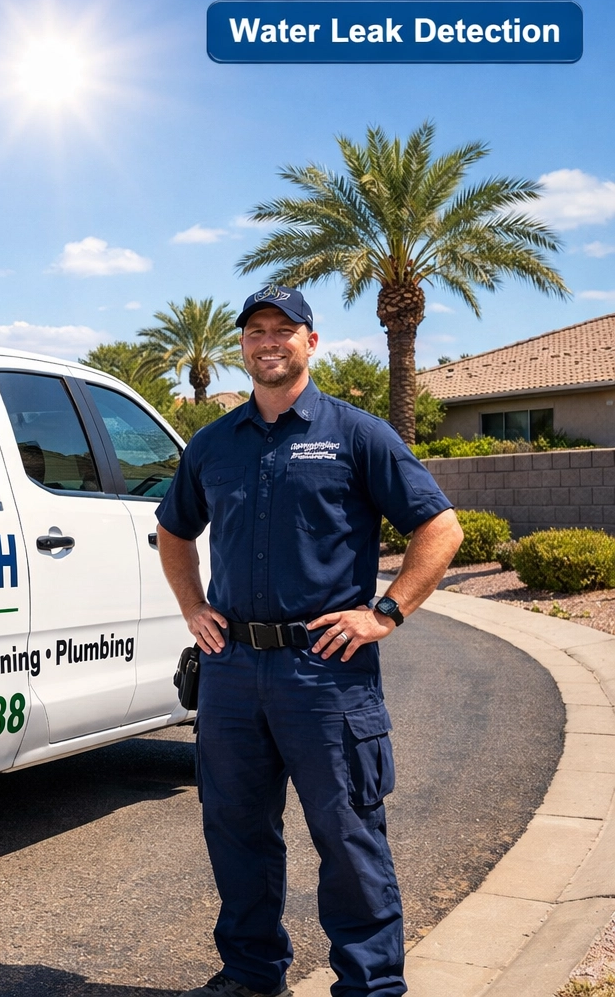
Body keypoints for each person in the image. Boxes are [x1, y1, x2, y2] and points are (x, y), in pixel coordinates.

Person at [155, 285, 463, 997]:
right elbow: (173, 529)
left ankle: (370, 986)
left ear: (311, 342)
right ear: (243, 344)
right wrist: (193, 606)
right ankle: (253, 976)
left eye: (283, 330)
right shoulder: (213, 444)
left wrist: (385, 612)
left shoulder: (356, 433)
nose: (269, 341)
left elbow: (440, 528)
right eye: (255, 330)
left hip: (327, 674)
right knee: (235, 833)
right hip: (232, 672)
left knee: (349, 838)